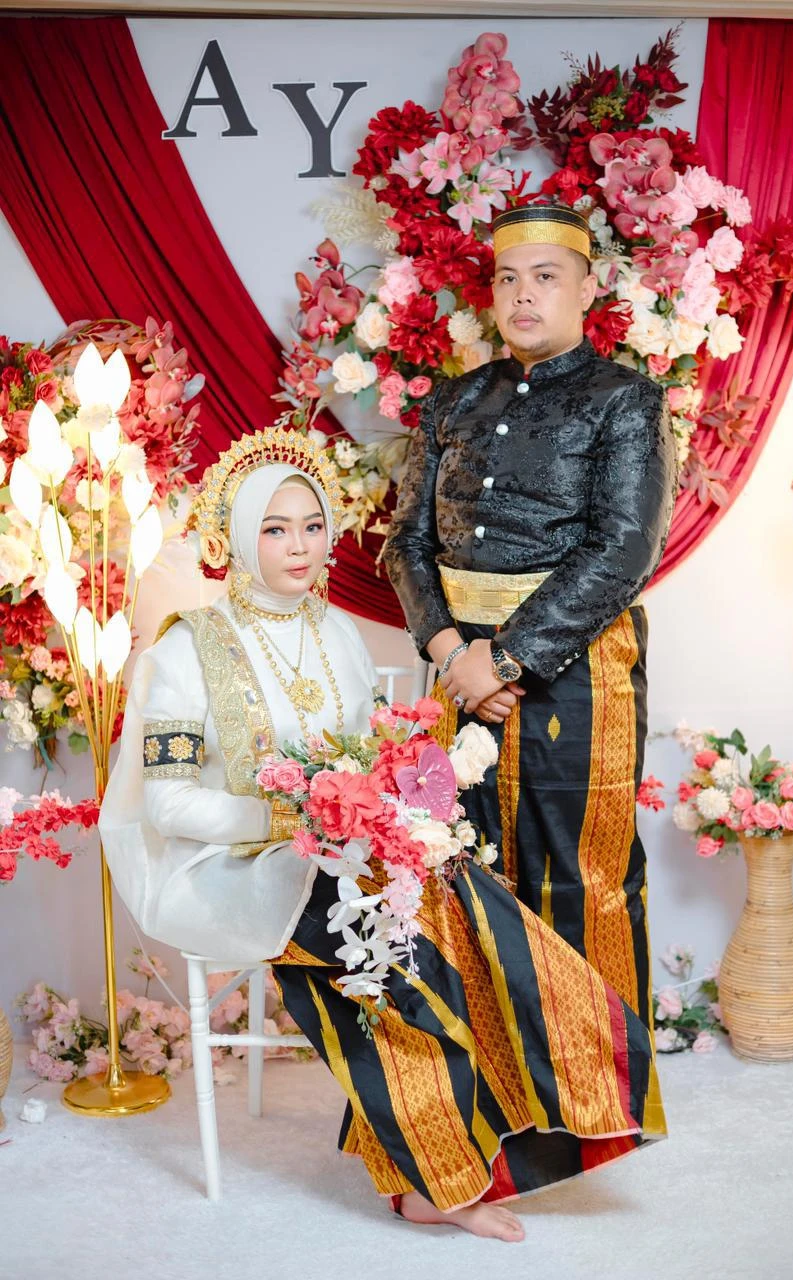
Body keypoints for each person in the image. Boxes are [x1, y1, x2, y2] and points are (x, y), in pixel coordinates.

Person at [101, 425, 665, 1243]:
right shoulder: (188, 648)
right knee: (401, 942)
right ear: (236, 537)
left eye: (312, 525)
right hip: (227, 867)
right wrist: (296, 818)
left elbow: (376, 750)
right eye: (275, 529)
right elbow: (168, 806)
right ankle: (433, 1178)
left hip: (346, 851)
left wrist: (398, 812)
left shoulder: (334, 632)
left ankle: (546, 1116)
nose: (301, 546)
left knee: (471, 907)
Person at [384, 203, 677, 1030]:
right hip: (457, 672)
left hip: (575, 675)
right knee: (457, 866)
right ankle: (489, 1078)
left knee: (577, 877)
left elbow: (623, 551)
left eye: (545, 277)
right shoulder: (453, 402)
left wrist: (504, 661)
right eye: (508, 278)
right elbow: (405, 541)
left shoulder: (626, 400)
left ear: (586, 289)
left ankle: (591, 1082)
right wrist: (453, 653)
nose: (523, 295)